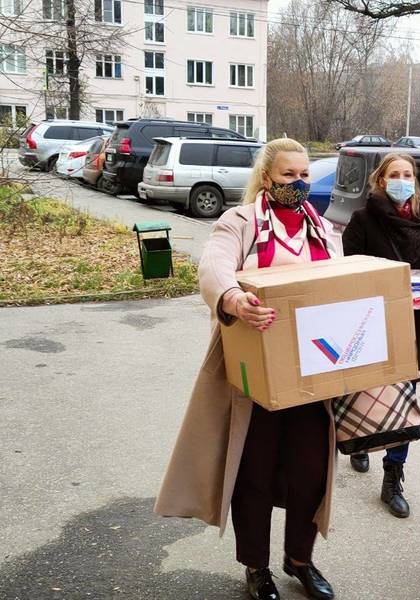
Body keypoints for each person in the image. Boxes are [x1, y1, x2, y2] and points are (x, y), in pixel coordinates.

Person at [155, 138, 337, 600]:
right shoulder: (240, 221)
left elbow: (341, 282)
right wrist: (234, 298)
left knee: (311, 471)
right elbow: (213, 267)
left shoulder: (322, 228)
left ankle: (299, 558)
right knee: (254, 472)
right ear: (266, 177)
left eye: (303, 176)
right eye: (287, 176)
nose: (298, 184)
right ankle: (256, 567)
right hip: (255, 375)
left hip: (313, 370)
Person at [341, 152, 420, 518]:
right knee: (365, 391)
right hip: (368, 321)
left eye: (408, 174)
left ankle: (392, 475)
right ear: (381, 180)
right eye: (394, 174)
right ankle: (362, 443)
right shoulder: (362, 219)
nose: (402, 180)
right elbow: (348, 275)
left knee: (405, 401)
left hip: (410, 323)